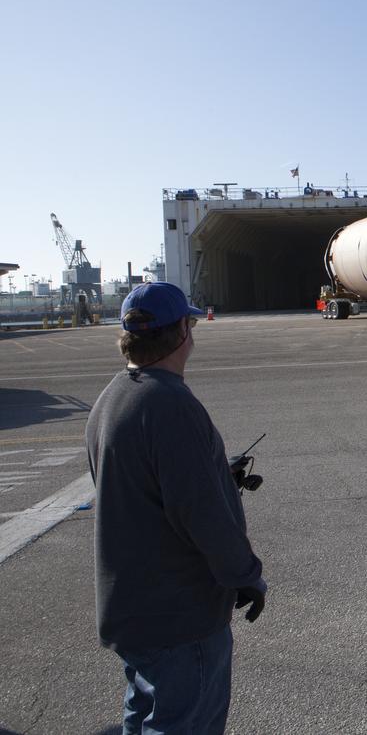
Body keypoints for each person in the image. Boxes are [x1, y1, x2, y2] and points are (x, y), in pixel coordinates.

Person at [86, 282, 267, 734]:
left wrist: (210, 471)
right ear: (183, 332)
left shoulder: (111, 400)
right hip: (179, 618)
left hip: (133, 610)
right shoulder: (171, 405)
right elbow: (204, 517)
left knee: (143, 717)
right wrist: (246, 576)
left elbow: (139, 489)